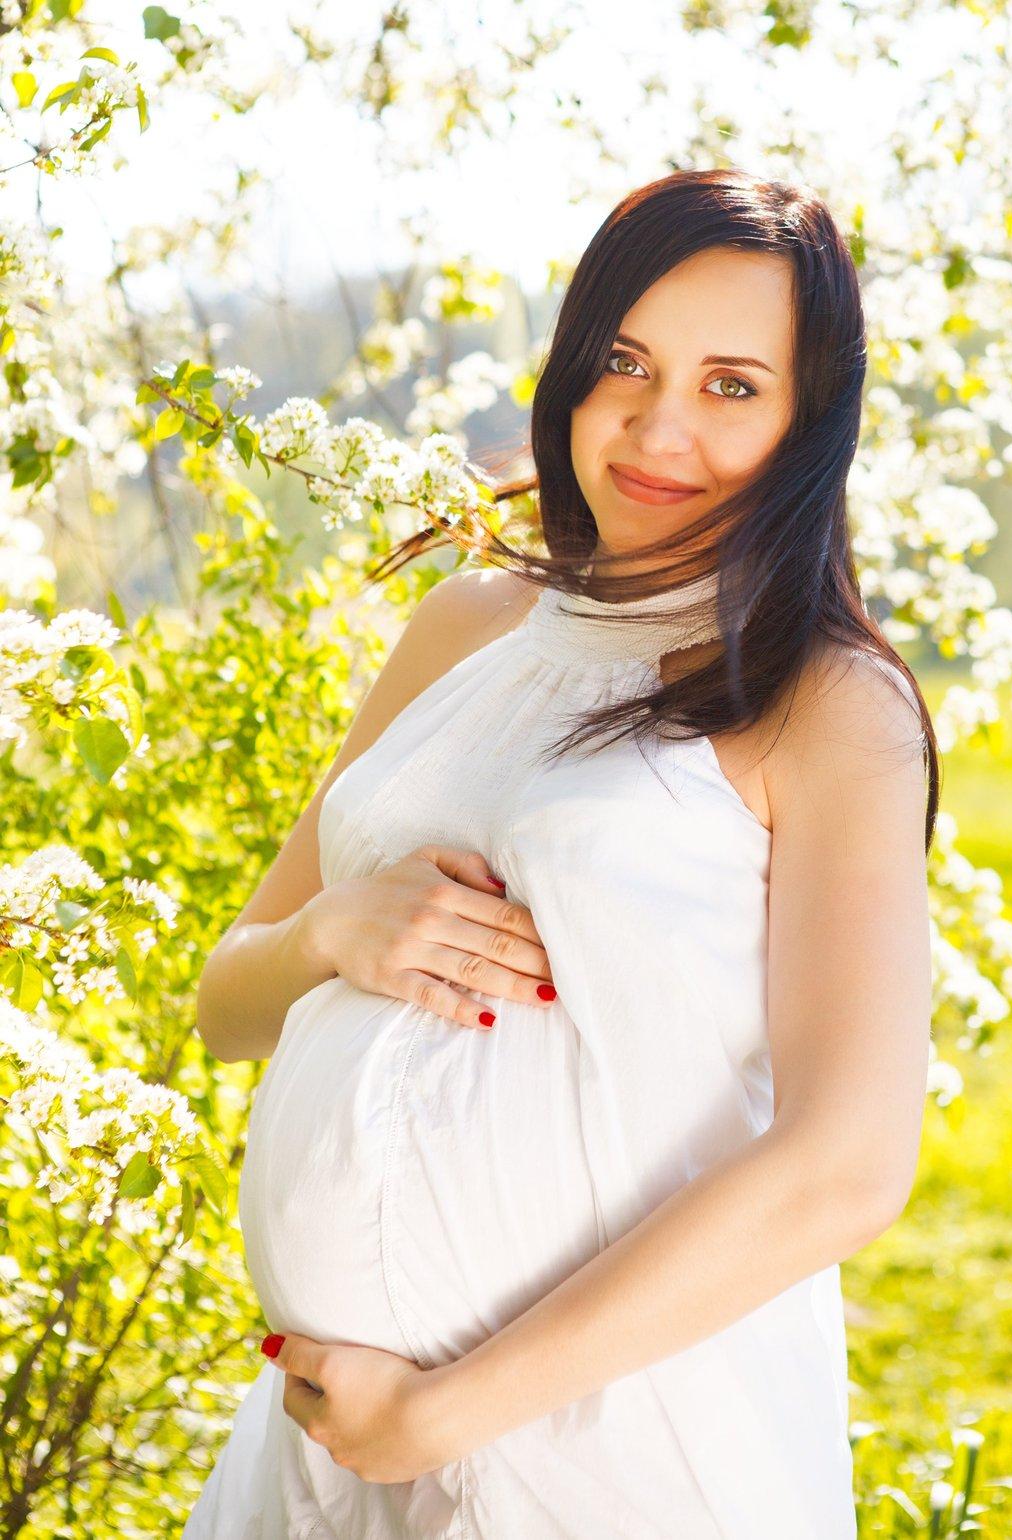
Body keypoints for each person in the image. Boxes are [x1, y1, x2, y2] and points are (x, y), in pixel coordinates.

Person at [184, 167, 938, 1539]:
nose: (656, 426)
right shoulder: (465, 628)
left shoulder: (826, 706)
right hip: (327, 1460)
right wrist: (328, 935)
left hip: (607, 1450)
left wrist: (440, 1414)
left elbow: (849, 1161)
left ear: (807, 419)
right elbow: (222, 1006)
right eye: (624, 362)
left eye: (731, 384)